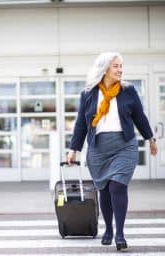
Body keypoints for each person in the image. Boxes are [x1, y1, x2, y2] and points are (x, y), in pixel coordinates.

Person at [67, 52, 158, 251]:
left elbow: (139, 117)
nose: (120, 70)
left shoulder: (128, 91)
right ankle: (108, 228)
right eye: (115, 66)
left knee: (118, 186)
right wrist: (73, 149)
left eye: (121, 66)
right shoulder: (88, 93)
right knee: (105, 191)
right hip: (98, 149)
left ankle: (119, 233)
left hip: (124, 146)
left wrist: (150, 138)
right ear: (105, 69)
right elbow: (82, 124)